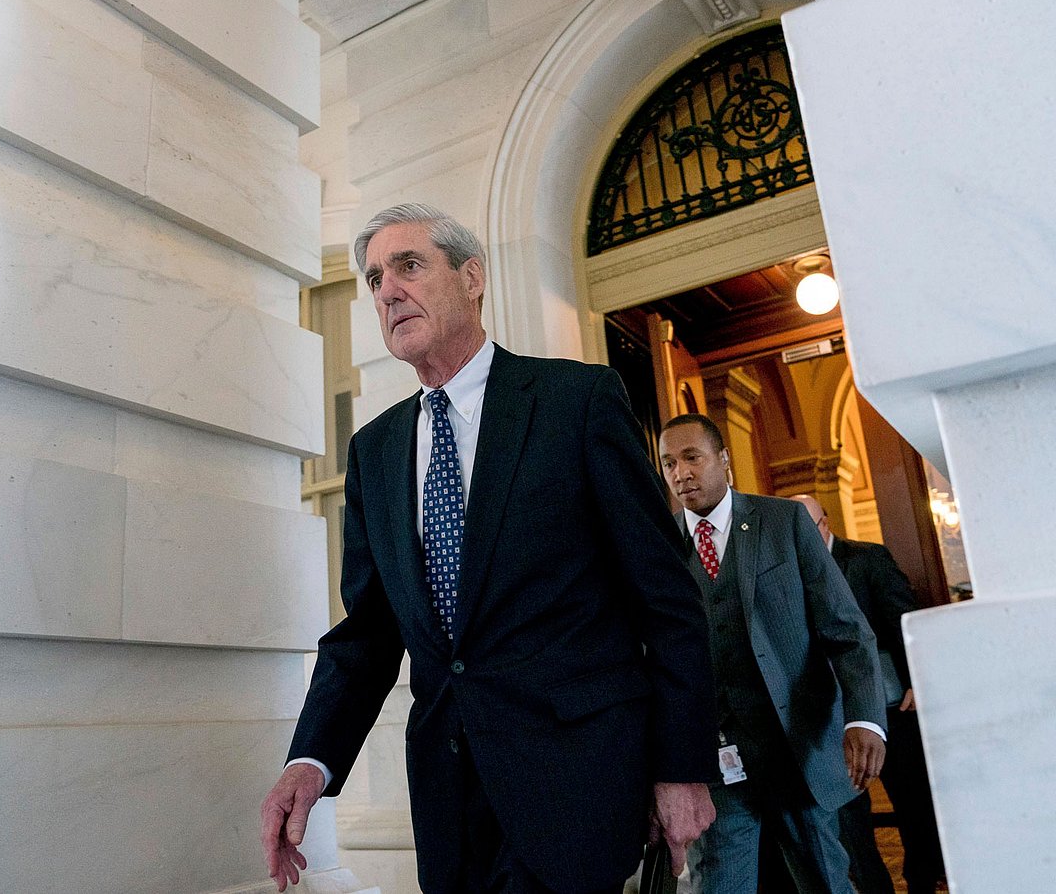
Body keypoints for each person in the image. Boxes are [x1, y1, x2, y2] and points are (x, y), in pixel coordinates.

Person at [260, 204, 719, 894]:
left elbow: (667, 599)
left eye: (408, 266)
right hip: (451, 804)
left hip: (577, 784)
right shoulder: (375, 451)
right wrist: (311, 760)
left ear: (471, 278)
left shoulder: (576, 402)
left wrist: (681, 766)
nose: (387, 290)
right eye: (375, 278)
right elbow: (370, 633)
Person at [657, 414, 887, 894]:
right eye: (669, 463)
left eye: (692, 457)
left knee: (826, 883)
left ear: (724, 459)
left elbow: (846, 630)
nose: (681, 473)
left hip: (796, 750)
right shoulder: (658, 547)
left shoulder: (784, 522)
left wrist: (864, 719)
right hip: (716, 765)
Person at [792, 495, 947, 894]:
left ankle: (921, 882)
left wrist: (917, 678)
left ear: (826, 524)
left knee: (913, 804)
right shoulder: (788, 572)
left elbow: (902, 618)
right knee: (850, 819)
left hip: (891, 707)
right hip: (831, 716)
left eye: (809, 528)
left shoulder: (867, 559)